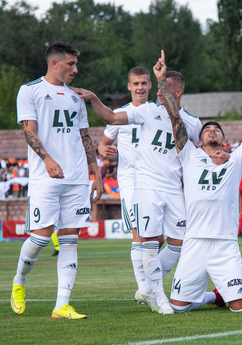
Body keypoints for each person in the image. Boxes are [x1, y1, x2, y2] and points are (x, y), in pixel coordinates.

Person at [75, 67, 226, 314]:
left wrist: (224, 157)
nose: (156, 92)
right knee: (147, 241)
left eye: (161, 87)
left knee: (178, 242)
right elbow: (112, 119)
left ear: (177, 91)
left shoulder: (192, 122)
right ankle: (157, 296)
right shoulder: (147, 111)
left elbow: (203, 150)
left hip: (174, 187)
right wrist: (94, 99)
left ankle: (145, 287)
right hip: (146, 185)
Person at [154, 50, 242, 313]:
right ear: (199, 141)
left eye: (217, 129)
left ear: (224, 140)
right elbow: (176, 118)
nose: (212, 129)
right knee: (178, 308)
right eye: (207, 129)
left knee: (241, 309)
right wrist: (160, 82)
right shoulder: (189, 155)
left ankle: (223, 295)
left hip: (224, 243)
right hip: (194, 242)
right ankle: (214, 297)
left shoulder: (235, 161)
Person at [11, 42, 103, 319]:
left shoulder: (77, 97)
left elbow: (85, 137)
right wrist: (48, 159)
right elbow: (29, 132)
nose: (76, 69)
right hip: (46, 178)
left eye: (76, 64)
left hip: (76, 179)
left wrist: (96, 174)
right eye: (70, 64)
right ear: (54, 63)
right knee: (40, 239)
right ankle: (19, 281)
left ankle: (61, 305)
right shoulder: (30, 91)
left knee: (70, 241)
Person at [97, 66, 164, 309]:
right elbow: (102, 145)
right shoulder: (119, 113)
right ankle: (147, 289)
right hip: (131, 180)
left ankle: (147, 287)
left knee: (161, 236)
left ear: (150, 85)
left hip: (156, 178)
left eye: (144, 83)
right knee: (140, 236)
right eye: (135, 83)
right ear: (129, 86)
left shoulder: (158, 112)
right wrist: (106, 150)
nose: (140, 87)